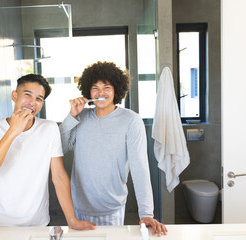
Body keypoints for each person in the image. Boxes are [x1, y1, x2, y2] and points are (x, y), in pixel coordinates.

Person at [59, 62, 167, 236]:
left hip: (111, 208)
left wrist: (146, 213)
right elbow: (61, 148)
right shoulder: (80, 116)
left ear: (116, 89)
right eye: (95, 88)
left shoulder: (131, 120)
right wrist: (71, 116)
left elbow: (139, 166)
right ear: (88, 91)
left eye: (106, 87)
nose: (101, 92)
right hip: (78, 206)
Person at [0, 74, 95, 229]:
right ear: (14, 95)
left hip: (39, 224)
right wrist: (13, 131)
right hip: (1, 226)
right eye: (27, 95)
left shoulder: (49, 129)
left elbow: (58, 176)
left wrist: (71, 220)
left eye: (39, 99)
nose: (32, 103)